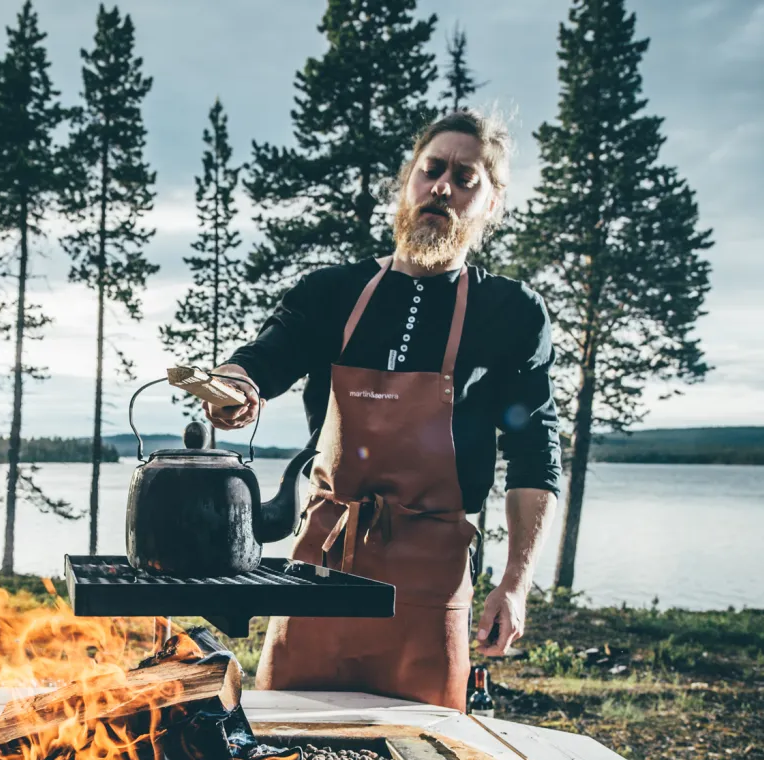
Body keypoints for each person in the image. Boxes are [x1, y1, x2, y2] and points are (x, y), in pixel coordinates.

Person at [205, 109, 561, 710]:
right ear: (408, 182)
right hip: (323, 567)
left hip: (433, 580)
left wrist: (515, 584)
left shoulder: (513, 314)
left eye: (465, 178)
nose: (442, 187)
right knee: (287, 746)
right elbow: (264, 357)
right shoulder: (331, 292)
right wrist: (235, 385)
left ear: (491, 205)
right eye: (432, 170)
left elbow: (534, 457)